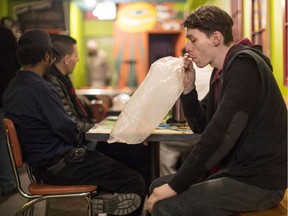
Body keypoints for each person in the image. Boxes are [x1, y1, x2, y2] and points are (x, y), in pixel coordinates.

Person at [147, 5, 287, 216]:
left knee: (165, 204)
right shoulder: (221, 72)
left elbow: (219, 135)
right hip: (236, 173)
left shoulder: (244, 66)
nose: (187, 47)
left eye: (193, 39)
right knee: (157, 185)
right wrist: (188, 89)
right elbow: (202, 126)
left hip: (260, 182)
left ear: (215, 38)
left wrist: (176, 185)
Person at [2, 29, 145, 216]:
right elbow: (66, 128)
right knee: (135, 180)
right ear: (47, 56)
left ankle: (101, 201)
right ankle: (101, 201)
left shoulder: (11, 87)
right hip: (62, 167)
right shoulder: (41, 88)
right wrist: (81, 139)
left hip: (40, 167)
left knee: (117, 167)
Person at [45, 34, 150, 194]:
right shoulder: (54, 83)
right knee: (140, 157)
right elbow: (71, 124)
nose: (78, 59)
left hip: (78, 145)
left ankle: (115, 199)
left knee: (138, 153)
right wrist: (98, 128)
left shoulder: (60, 80)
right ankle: (122, 200)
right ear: (66, 59)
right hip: (79, 149)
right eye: (75, 56)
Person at [159, 64, 211, 176]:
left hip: (198, 130)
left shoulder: (185, 73)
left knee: (165, 144)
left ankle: (167, 178)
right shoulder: (213, 72)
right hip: (207, 130)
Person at [0, 24, 21, 198]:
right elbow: (16, 63)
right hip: (4, 94)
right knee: (2, 139)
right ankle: (7, 183)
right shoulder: (5, 34)